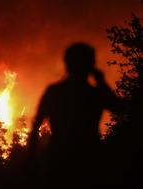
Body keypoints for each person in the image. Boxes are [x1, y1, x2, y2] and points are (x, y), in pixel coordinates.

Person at [28, 42, 122, 186]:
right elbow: (120, 109)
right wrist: (102, 83)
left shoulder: (55, 92)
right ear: (91, 65)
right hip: (89, 163)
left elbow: (35, 128)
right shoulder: (94, 93)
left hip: (60, 161)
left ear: (67, 64)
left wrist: (31, 159)